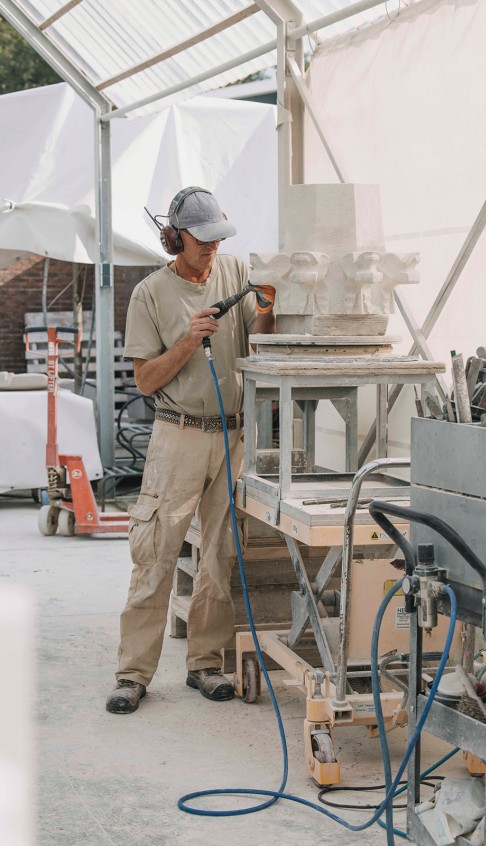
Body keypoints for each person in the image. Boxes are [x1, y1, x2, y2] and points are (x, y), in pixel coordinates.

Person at [106, 186, 275, 714]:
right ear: (176, 237)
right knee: (156, 553)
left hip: (233, 435)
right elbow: (145, 380)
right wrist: (187, 340)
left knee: (221, 555)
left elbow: (258, 341)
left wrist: (267, 309)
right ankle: (132, 674)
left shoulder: (236, 274)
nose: (212, 250)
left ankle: (206, 664)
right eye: (201, 241)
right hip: (177, 434)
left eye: (218, 239)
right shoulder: (149, 294)